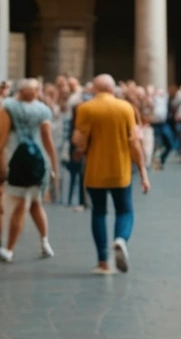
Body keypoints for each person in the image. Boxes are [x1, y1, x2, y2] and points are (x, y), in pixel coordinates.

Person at [72, 74, 150, 274]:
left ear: (94, 89)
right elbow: (135, 144)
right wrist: (143, 172)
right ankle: (120, 239)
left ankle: (102, 262)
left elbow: (80, 142)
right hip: (120, 170)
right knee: (125, 210)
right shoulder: (125, 108)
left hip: (95, 171)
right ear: (113, 88)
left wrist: (80, 149)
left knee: (99, 212)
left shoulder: (86, 108)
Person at [0, 78, 59, 262]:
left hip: (16, 158)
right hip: (37, 160)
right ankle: (44, 241)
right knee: (35, 203)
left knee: (19, 204)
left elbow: (2, 137)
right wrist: (52, 165)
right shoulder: (43, 110)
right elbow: (47, 139)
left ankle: (9, 249)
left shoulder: (9, 107)